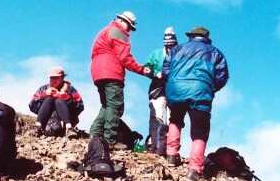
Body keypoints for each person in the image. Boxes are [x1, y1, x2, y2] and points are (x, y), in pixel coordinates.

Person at [162, 26, 229, 181]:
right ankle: (195, 169)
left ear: (191, 36)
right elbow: (222, 76)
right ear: (207, 37)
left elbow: (165, 71)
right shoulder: (215, 53)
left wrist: (174, 82)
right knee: (200, 130)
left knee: (175, 119)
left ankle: (171, 155)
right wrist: (210, 87)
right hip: (200, 91)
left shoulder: (177, 49)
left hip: (175, 89)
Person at [89, 11, 151, 148]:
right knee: (115, 106)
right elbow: (125, 58)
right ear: (123, 21)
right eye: (130, 26)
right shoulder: (118, 32)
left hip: (98, 72)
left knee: (107, 105)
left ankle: (95, 134)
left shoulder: (105, 30)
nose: (129, 30)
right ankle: (110, 140)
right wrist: (141, 69)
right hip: (112, 72)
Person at [144, 27, 178, 155]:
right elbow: (146, 67)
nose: (170, 48)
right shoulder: (156, 54)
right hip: (157, 88)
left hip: (174, 89)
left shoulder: (180, 54)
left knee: (173, 118)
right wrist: (152, 72)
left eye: (172, 45)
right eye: (167, 45)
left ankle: (170, 148)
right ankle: (155, 144)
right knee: (157, 115)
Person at [28, 66, 84, 136]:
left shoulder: (70, 89)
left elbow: (80, 106)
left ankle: (69, 129)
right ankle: (38, 128)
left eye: (56, 78)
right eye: (52, 78)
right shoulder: (44, 89)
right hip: (48, 122)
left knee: (59, 101)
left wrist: (68, 99)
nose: (53, 80)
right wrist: (44, 95)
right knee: (49, 99)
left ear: (62, 78)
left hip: (67, 121)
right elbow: (31, 105)